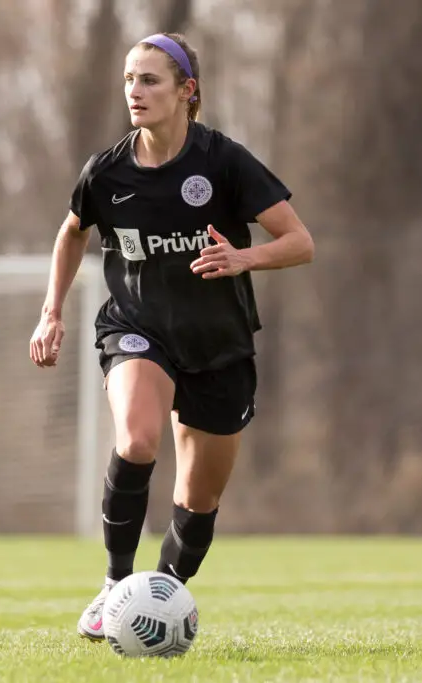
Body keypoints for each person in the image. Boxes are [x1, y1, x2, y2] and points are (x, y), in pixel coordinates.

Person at [28, 32, 315, 641]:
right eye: (130, 79)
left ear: (188, 91)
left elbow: (300, 242)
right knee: (137, 440)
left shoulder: (224, 161)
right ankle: (113, 589)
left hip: (219, 343)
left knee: (199, 495)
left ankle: (157, 602)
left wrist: (242, 259)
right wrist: (51, 311)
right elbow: (71, 233)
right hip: (137, 326)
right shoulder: (107, 171)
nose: (135, 91)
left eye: (151, 80)